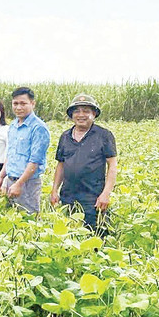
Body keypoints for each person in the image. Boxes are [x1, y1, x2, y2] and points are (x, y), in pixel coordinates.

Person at [50, 94, 118, 231]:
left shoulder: (104, 135)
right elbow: (61, 165)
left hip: (93, 198)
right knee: (68, 235)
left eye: (86, 111)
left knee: (95, 236)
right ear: (71, 115)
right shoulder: (65, 136)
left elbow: (112, 166)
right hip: (68, 196)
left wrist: (106, 194)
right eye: (77, 111)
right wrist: (54, 190)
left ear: (94, 114)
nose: (81, 115)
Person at [0, 87, 50, 213]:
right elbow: (10, 154)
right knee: (10, 221)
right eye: (15, 103)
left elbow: (34, 161)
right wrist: (1, 176)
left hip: (28, 184)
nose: (18, 107)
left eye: (23, 103)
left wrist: (19, 184)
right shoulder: (13, 125)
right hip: (10, 181)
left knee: (28, 220)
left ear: (32, 104)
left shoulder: (38, 128)